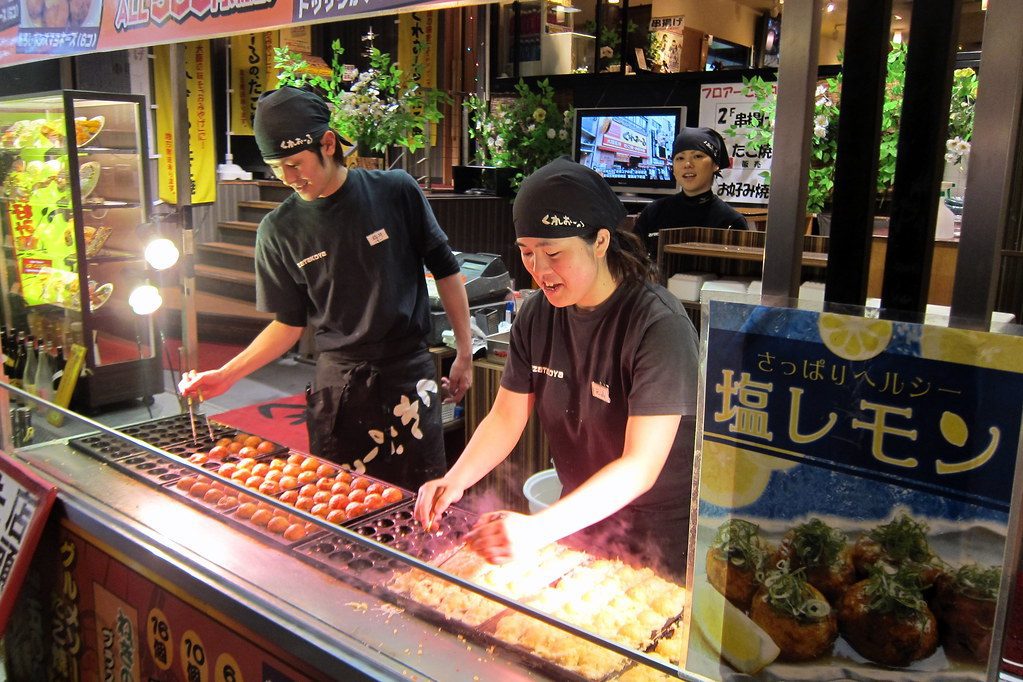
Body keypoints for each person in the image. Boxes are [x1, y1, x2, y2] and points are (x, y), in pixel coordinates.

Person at [414, 156, 699, 578]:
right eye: (528, 253)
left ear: (601, 242)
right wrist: (454, 479)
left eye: (553, 252)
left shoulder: (658, 324)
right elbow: (507, 416)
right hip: (578, 517)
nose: (539, 270)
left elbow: (641, 464)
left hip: (657, 533)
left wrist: (537, 529)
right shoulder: (538, 314)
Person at [179, 86, 473, 490]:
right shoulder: (278, 231)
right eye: (276, 166)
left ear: (328, 143)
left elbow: (446, 269)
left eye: (296, 163)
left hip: (409, 373)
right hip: (340, 386)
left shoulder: (395, 191)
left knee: (423, 498)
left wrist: (464, 351)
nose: (288, 178)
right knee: (342, 504)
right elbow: (289, 324)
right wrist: (229, 374)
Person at [632, 126, 748, 256]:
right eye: (680, 158)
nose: (687, 164)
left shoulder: (731, 221)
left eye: (698, 156)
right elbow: (632, 264)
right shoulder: (653, 212)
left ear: (715, 165)